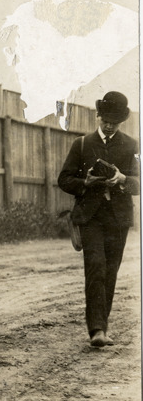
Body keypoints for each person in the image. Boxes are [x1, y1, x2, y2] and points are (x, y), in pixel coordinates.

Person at [58, 90, 140, 348]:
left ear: (121, 121)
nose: (109, 125)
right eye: (106, 120)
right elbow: (64, 180)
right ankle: (97, 330)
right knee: (96, 266)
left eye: (115, 121)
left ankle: (102, 324)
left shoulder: (132, 145)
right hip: (90, 217)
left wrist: (123, 179)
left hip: (118, 218)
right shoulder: (82, 144)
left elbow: (139, 183)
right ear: (98, 115)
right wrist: (86, 182)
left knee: (110, 271)